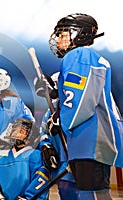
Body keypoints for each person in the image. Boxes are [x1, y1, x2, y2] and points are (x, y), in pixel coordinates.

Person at [48, 13, 123, 199]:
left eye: (62, 34)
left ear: (78, 34)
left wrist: (61, 118)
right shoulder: (84, 57)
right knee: (90, 192)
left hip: (90, 137)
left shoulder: (80, 55)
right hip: (86, 138)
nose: (57, 39)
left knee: (94, 194)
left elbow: (81, 100)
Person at [36, 72, 79, 199]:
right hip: (63, 167)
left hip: (82, 162)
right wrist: (46, 146)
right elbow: (43, 133)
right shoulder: (50, 111)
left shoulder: (80, 107)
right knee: (67, 193)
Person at [0, 118, 50, 200]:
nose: (16, 134)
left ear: (30, 136)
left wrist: (29, 198)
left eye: (21, 132)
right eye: (15, 131)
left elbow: (41, 180)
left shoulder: (36, 155)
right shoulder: (0, 156)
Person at [0, 68, 34, 154]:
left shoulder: (13, 102)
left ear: (3, 83)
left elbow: (28, 123)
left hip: (4, 152)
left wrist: (3, 142)